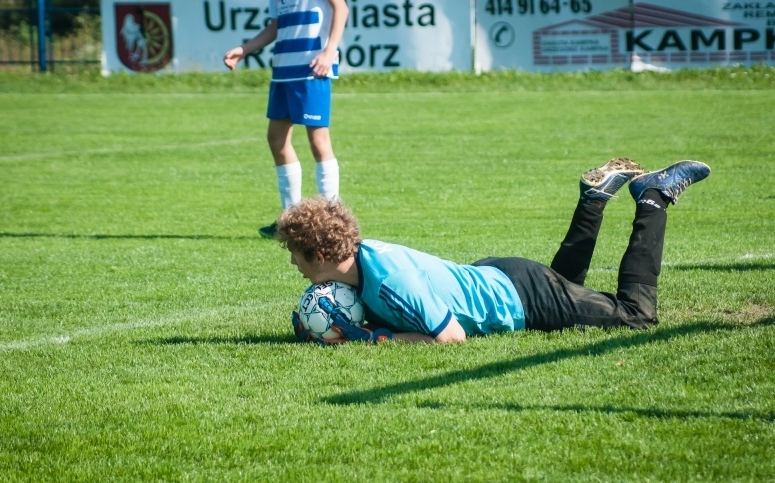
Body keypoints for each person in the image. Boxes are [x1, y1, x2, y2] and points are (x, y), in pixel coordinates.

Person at [277, 158, 711, 344]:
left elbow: (450, 337)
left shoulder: (389, 281)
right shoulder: (364, 260)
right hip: (499, 276)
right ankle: (593, 200)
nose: (293, 262)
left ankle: (653, 196)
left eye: (295, 253)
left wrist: (372, 339)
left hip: (519, 298)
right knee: (568, 287)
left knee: (636, 316)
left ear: (318, 254)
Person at [223, 0, 349, 239]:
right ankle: (291, 220)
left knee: (318, 142)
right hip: (283, 71)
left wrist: (329, 51)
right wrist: (245, 49)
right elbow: (276, 26)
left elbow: (341, 8)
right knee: (276, 139)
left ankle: (334, 219)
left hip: (313, 68)